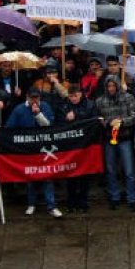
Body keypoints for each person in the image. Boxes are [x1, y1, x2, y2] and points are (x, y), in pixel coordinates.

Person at [5, 89, 62, 218]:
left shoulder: (45, 106)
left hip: (44, 147)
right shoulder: (19, 109)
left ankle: (51, 206)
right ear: (27, 97)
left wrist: (38, 114)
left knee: (48, 177)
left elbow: (49, 125)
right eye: (32, 98)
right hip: (28, 149)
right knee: (31, 177)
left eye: (37, 98)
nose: (34, 100)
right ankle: (31, 204)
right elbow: (9, 128)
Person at [95, 75, 135, 211]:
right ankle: (114, 197)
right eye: (109, 86)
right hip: (109, 139)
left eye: (113, 86)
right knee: (111, 171)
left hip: (124, 138)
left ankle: (132, 199)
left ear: (118, 86)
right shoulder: (100, 101)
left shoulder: (128, 98)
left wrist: (122, 122)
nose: (111, 88)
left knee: (129, 171)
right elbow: (98, 118)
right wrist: (106, 122)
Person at [59, 84, 98, 212]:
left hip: (86, 145)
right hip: (71, 145)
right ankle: (71, 203)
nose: (73, 99)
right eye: (71, 96)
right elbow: (59, 122)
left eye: (75, 96)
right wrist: (66, 117)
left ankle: (83, 202)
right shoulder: (64, 105)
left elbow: (93, 120)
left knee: (84, 176)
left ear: (81, 94)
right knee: (71, 175)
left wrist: (76, 114)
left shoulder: (90, 105)